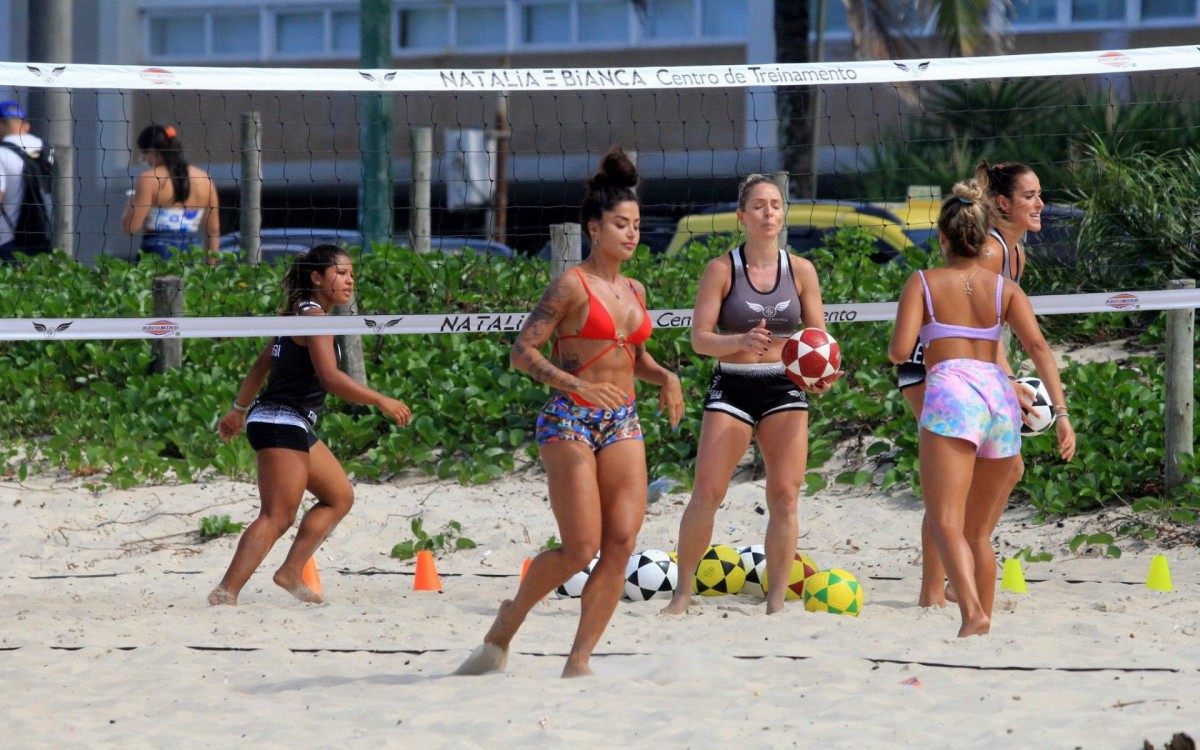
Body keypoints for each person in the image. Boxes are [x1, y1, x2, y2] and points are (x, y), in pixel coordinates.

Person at [456, 147, 683, 678]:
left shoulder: (635, 288)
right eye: (620, 225)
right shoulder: (570, 285)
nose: (632, 234)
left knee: (621, 542)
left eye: (636, 225)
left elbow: (635, 357)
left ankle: (578, 660)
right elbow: (523, 351)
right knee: (581, 547)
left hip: (622, 418)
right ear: (593, 227)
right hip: (568, 420)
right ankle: (507, 622)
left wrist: (666, 376)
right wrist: (575, 384)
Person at [888, 181, 1075, 637]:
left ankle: (971, 611)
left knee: (945, 518)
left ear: (943, 238)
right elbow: (1038, 347)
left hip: (953, 391)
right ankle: (982, 624)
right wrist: (1062, 414)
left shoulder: (923, 282)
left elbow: (898, 352)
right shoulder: (1004, 287)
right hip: (998, 394)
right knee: (977, 532)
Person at [660, 174, 840, 616]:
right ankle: (682, 594)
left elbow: (819, 338)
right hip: (734, 383)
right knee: (708, 492)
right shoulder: (722, 269)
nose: (768, 213)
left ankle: (776, 601)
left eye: (775, 205)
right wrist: (738, 341)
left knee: (784, 495)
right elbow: (701, 338)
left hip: (783, 383)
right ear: (741, 216)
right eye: (758, 206)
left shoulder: (800, 270)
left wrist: (825, 373)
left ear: (783, 214)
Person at [209, 244, 412, 606]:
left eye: (352, 273)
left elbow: (261, 364)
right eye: (341, 273)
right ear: (317, 278)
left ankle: (290, 571)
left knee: (339, 497)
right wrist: (381, 399)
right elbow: (330, 377)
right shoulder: (315, 318)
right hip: (280, 420)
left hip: (289, 421)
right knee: (277, 516)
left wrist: (238, 409)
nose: (350, 280)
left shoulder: (297, 315)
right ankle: (227, 592)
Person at [912, 162, 1044, 607]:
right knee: (951, 482)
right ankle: (936, 588)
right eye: (1029, 196)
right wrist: (1006, 381)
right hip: (933, 363)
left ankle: (958, 566)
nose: (1039, 203)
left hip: (970, 368)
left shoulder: (1015, 251)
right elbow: (978, 332)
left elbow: (993, 331)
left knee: (1000, 471)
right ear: (1003, 204)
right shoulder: (990, 251)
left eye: (1039, 194)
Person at [121, 124, 221, 263]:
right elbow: (213, 231)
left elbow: (130, 227)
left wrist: (132, 200)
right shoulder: (205, 179)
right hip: (192, 253)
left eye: (144, 156)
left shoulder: (149, 179)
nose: (146, 162)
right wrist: (211, 269)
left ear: (152, 152)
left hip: (157, 252)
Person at [0, 100, 49, 262]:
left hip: (8, 243)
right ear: (26, 126)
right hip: (46, 242)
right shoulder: (49, 151)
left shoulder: (1, 154)